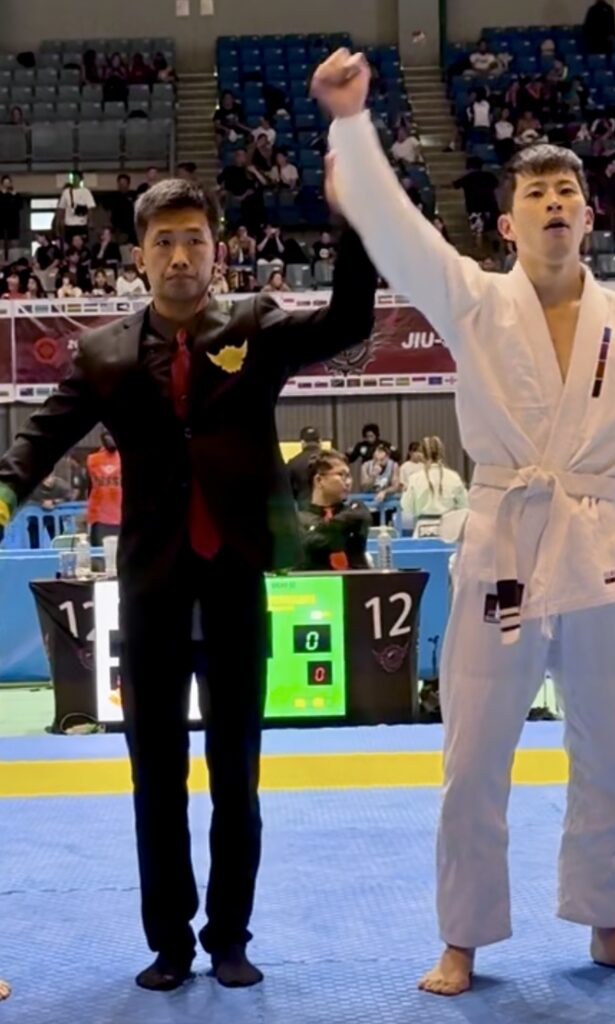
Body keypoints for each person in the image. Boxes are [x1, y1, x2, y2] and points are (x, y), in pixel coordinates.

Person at [315, 47, 615, 996]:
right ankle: (463, 937)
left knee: (611, 752)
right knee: (474, 756)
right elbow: (399, 233)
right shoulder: (476, 301)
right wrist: (353, 125)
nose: (556, 203)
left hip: (599, 548)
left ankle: (608, 922)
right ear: (507, 223)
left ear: (590, 215)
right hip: (501, 545)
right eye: (537, 194)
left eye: (569, 191)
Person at [0, 176, 376, 991]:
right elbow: (40, 438)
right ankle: (169, 943)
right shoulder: (103, 354)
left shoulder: (255, 326)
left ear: (217, 250)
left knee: (237, 776)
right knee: (155, 780)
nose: (179, 256)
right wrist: (2, 494)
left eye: (194, 240)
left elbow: (349, 322)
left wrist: (352, 222)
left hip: (235, 583)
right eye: (163, 242)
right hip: (151, 594)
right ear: (138, 256)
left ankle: (230, 937)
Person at [296, 449, 371, 570]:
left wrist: (320, 528)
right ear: (319, 480)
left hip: (355, 579)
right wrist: (339, 528)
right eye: (341, 475)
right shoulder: (298, 519)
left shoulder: (356, 511)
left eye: (349, 476)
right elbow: (311, 542)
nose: (348, 482)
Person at [400, 436, 468, 527]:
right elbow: (464, 505)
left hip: (422, 527)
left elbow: (407, 508)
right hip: (449, 528)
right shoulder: (454, 477)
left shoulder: (414, 478)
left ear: (423, 455)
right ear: (442, 453)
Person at [86, 430, 122, 546]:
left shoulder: (128, 457)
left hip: (122, 513)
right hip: (99, 515)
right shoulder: (93, 459)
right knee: (100, 552)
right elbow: (89, 486)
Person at [287, 425, 323, 508]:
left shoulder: (293, 462)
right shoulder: (332, 459)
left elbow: (288, 490)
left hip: (304, 508)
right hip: (329, 509)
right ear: (320, 441)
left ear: (302, 443)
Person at [0, 175, 23, 259]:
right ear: (2, 184)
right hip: (1, 221)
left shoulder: (15, 195)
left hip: (13, 222)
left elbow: (20, 206)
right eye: (5, 183)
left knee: (14, 242)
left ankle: (14, 261)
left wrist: (14, 195)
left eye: (8, 183)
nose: (7, 185)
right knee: (1, 242)